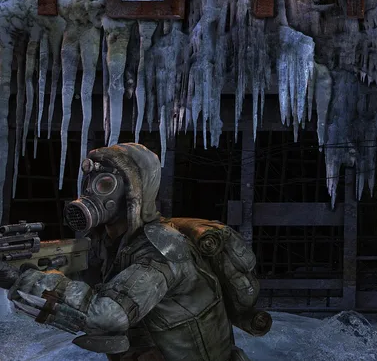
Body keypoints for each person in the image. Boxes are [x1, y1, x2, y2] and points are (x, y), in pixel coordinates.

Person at [0, 143, 254, 361]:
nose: (91, 192)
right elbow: (87, 289)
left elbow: (108, 315)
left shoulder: (162, 248)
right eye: (89, 182)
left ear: (135, 191)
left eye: (105, 184)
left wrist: (25, 279)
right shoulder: (113, 243)